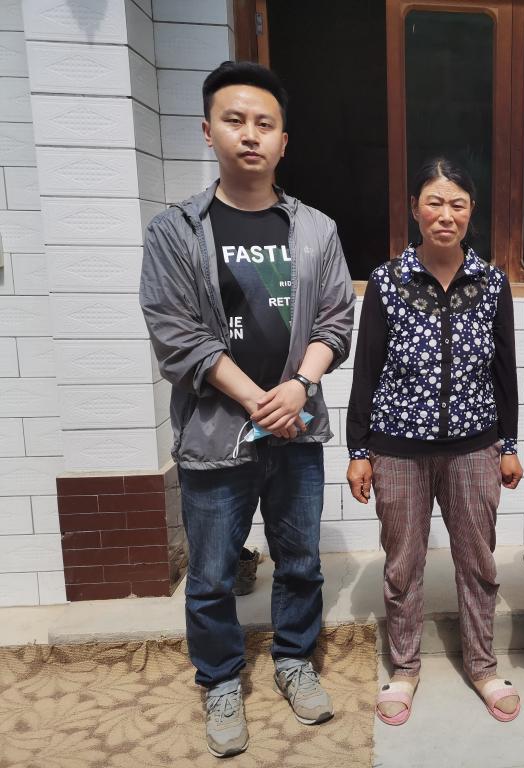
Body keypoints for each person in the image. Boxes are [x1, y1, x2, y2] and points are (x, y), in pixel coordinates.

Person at [139, 61, 355, 758]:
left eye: (265, 123)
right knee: (210, 575)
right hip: (215, 435)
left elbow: (335, 320)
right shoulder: (175, 231)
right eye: (234, 121)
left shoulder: (316, 230)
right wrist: (259, 398)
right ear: (208, 132)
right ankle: (221, 680)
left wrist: (299, 387)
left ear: (284, 141)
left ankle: (294, 660)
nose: (250, 134)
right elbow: (177, 334)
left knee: (301, 562)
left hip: (297, 431)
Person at [346, 158, 524, 726]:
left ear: (471, 213)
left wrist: (510, 443)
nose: (445, 215)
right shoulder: (386, 281)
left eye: (457, 204)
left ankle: (483, 666)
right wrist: (358, 451)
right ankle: (404, 668)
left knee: (478, 561)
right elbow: (366, 370)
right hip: (397, 447)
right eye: (434, 202)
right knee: (403, 564)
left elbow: (504, 371)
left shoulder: (492, 283)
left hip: (475, 447)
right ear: (414, 210)